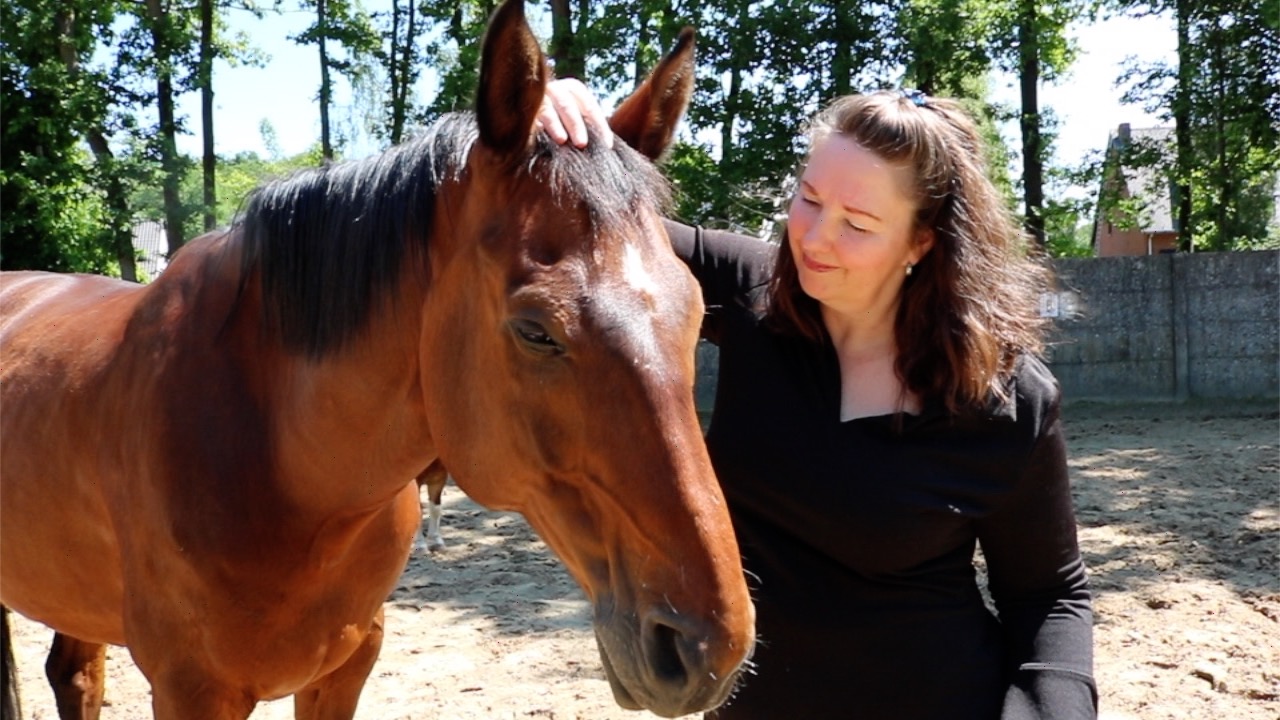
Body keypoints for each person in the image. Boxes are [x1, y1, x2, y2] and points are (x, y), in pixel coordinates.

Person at [539, 83, 1097, 719]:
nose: (814, 238)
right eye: (807, 199)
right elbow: (585, 216)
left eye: (857, 224)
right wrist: (556, 113)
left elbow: (1048, 595)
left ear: (921, 244)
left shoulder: (1005, 398)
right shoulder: (753, 293)